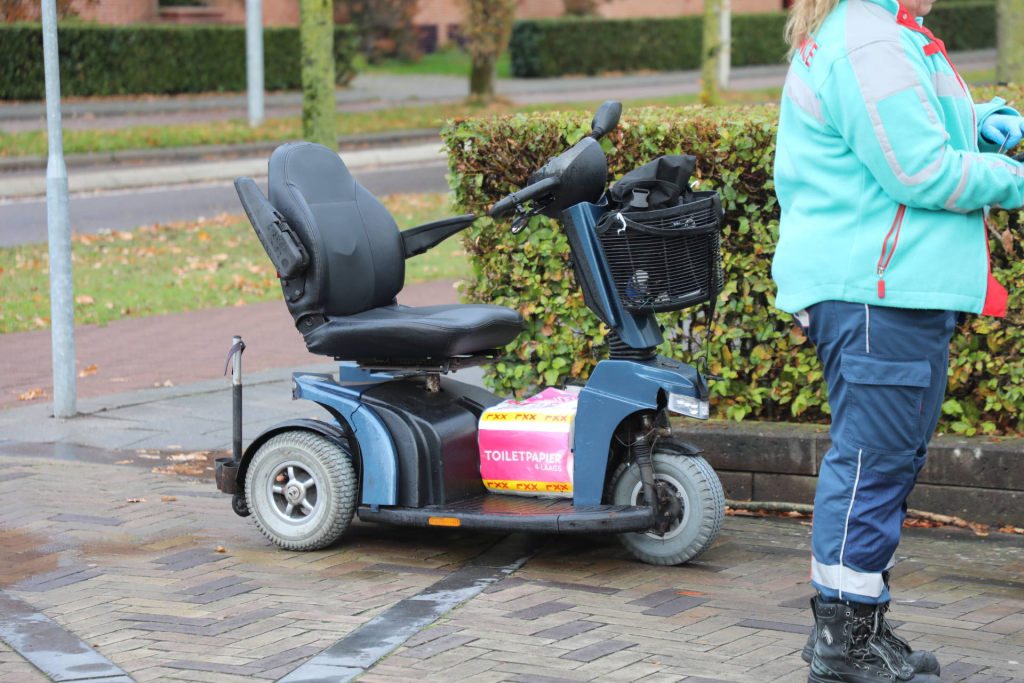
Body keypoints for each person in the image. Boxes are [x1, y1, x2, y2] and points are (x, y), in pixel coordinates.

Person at [772, 0, 1024, 680]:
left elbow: (897, 136)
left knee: (883, 463)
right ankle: (845, 644)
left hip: (885, 290)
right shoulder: (870, 39)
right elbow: (918, 170)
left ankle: (857, 629)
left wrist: (976, 124)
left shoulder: (879, 31)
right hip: (877, 293)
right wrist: (1015, 178)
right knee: (872, 465)